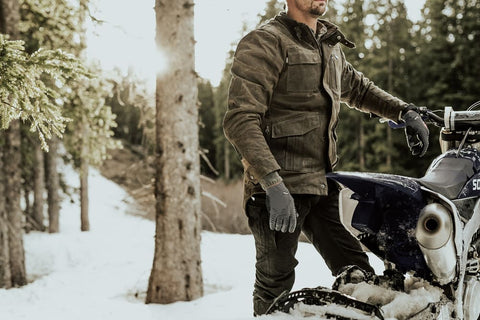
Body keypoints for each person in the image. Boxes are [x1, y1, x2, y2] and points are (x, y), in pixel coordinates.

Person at [222, 0, 429, 316]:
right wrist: (272, 183)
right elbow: (241, 119)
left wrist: (404, 111)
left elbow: (358, 89)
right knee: (274, 288)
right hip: (277, 190)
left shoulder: (328, 45)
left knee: (360, 276)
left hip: (322, 184)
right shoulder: (265, 41)